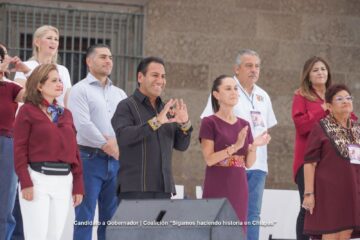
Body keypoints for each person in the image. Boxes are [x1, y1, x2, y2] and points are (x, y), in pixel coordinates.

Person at [200, 49, 277, 240]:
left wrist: (254, 145)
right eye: (249, 65)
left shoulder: (263, 96)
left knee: (251, 216)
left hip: (255, 164)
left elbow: (263, 128)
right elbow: (209, 143)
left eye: (257, 66)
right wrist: (234, 146)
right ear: (237, 68)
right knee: (220, 220)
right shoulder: (217, 108)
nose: (254, 70)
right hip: (223, 171)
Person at [13, 64, 84, 240]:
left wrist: (78, 185)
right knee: (36, 236)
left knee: (55, 236)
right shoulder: (26, 111)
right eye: (54, 80)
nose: (60, 83)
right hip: (37, 180)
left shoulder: (66, 114)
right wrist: (25, 182)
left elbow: (74, 151)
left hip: (64, 182)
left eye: (60, 80)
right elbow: (19, 149)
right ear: (39, 85)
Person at [111, 56, 192, 200]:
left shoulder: (165, 108)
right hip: (135, 189)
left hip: (163, 189)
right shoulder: (126, 106)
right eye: (155, 75)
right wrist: (156, 122)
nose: (160, 80)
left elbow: (182, 145)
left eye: (163, 76)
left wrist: (184, 123)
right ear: (140, 77)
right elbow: (124, 137)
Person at [68, 44, 127, 240]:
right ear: (89, 61)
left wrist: (118, 148)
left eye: (110, 57)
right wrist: (109, 146)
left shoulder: (119, 93)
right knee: (84, 217)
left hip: (116, 162)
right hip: (89, 159)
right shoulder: (79, 90)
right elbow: (83, 124)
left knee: (111, 219)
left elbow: (127, 125)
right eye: (102, 57)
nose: (108, 60)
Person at [302, 84, 360, 240]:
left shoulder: (357, 128)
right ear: (329, 106)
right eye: (339, 99)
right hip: (327, 193)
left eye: (348, 98)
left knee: (346, 232)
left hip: (352, 191)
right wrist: (309, 194)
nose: (345, 101)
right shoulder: (321, 127)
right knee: (331, 233)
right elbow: (309, 163)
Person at [291, 56, 332, 240]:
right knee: (308, 206)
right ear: (308, 76)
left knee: (327, 209)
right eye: (315, 70)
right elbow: (301, 125)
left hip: (331, 161)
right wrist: (322, 108)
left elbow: (350, 120)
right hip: (308, 161)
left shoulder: (335, 95)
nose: (320, 72)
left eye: (323, 69)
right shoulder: (301, 96)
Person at [0, 44, 26, 240]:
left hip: (7, 145)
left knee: (6, 202)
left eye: (3, 55)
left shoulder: (10, 88)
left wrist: (24, 71)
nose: (4, 58)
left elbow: (37, 93)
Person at [14, 25, 71, 107]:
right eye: (49, 38)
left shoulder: (63, 70)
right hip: (34, 115)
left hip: (59, 117)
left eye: (56, 39)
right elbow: (19, 97)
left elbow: (67, 100)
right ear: (37, 42)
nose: (53, 42)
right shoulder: (25, 66)